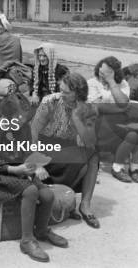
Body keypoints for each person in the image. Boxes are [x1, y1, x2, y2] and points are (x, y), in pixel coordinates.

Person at [0, 95, 67, 263]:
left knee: (47, 196)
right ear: (6, 116)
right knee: (30, 190)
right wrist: (15, 169)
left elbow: (27, 153)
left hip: (21, 169)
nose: (24, 120)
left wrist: (37, 165)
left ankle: (42, 231)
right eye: (19, 117)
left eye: (25, 116)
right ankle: (27, 240)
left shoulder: (24, 127)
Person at [31, 73, 101, 229]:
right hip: (45, 146)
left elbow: (89, 142)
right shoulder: (50, 101)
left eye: (66, 92)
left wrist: (77, 117)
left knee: (93, 156)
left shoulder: (88, 107)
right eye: (60, 89)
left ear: (78, 93)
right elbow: (33, 133)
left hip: (67, 147)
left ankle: (85, 205)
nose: (61, 94)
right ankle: (61, 202)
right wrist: (36, 163)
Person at [88, 56, 138, 183]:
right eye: (100, 70)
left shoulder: (122, 84)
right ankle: (117, 167)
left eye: (107, 73)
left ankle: (134, 167)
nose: (102, 74)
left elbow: (123, 103)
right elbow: (98, 108)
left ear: (114, 73)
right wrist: (120, 109)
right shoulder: (92, 83)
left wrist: (112, 82)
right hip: (101, 123)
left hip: (121, 121)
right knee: (131, 135)